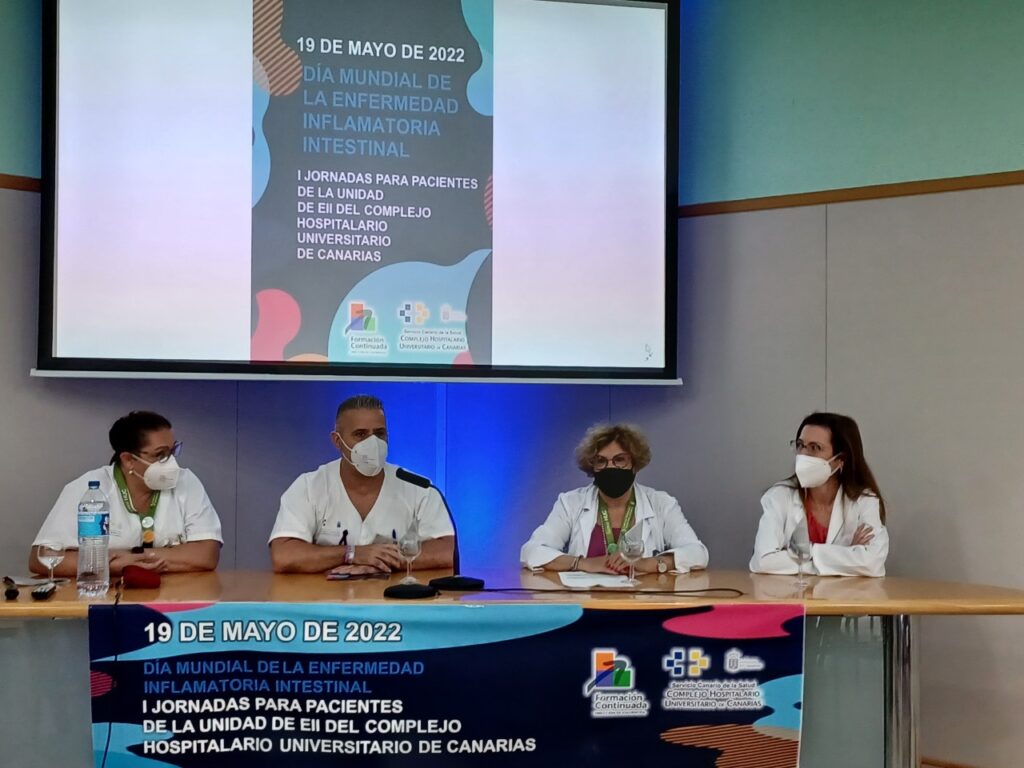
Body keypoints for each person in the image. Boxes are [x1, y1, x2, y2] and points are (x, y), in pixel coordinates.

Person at [269, 395, 455, 574]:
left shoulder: (419, 488)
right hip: (325, 595)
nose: (373, 442)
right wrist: (352, 554)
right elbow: (284, 555)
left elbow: (447, 551)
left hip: (396, 594)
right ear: (337, 441)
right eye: (360, 434)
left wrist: (382, 560)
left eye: (379, 433)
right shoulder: (309, 487)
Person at [30, 411, 222, 576]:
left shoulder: (186, 482)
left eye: (173, 451)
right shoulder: (89, 489)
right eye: (160, 455)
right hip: (103, 595)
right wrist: (111, 567)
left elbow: (207, 555)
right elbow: (41, 558)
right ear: (129, 460)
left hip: (175, 594)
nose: (172, 463)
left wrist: (132, 558)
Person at [520, 424, 708, 575]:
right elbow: (531, 551)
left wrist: (650, 564)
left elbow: (698, 553)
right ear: (592, 466)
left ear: (634, 463)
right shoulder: (570, 503)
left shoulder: (662, 504)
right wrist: (583, 563)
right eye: (601, 461)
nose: (610, 467)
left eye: (619, 459)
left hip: (643, 603)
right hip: (585, 602)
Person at [750, 412, 889, 577]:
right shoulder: (779, 496)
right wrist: (845, 554)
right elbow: (763, 561)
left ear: (840, 459)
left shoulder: (864, 501)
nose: (803, 454)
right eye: (800, 445)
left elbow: (872, 563)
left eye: (815, 448)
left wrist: (802, 554)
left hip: (844, 594)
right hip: (791, 592)